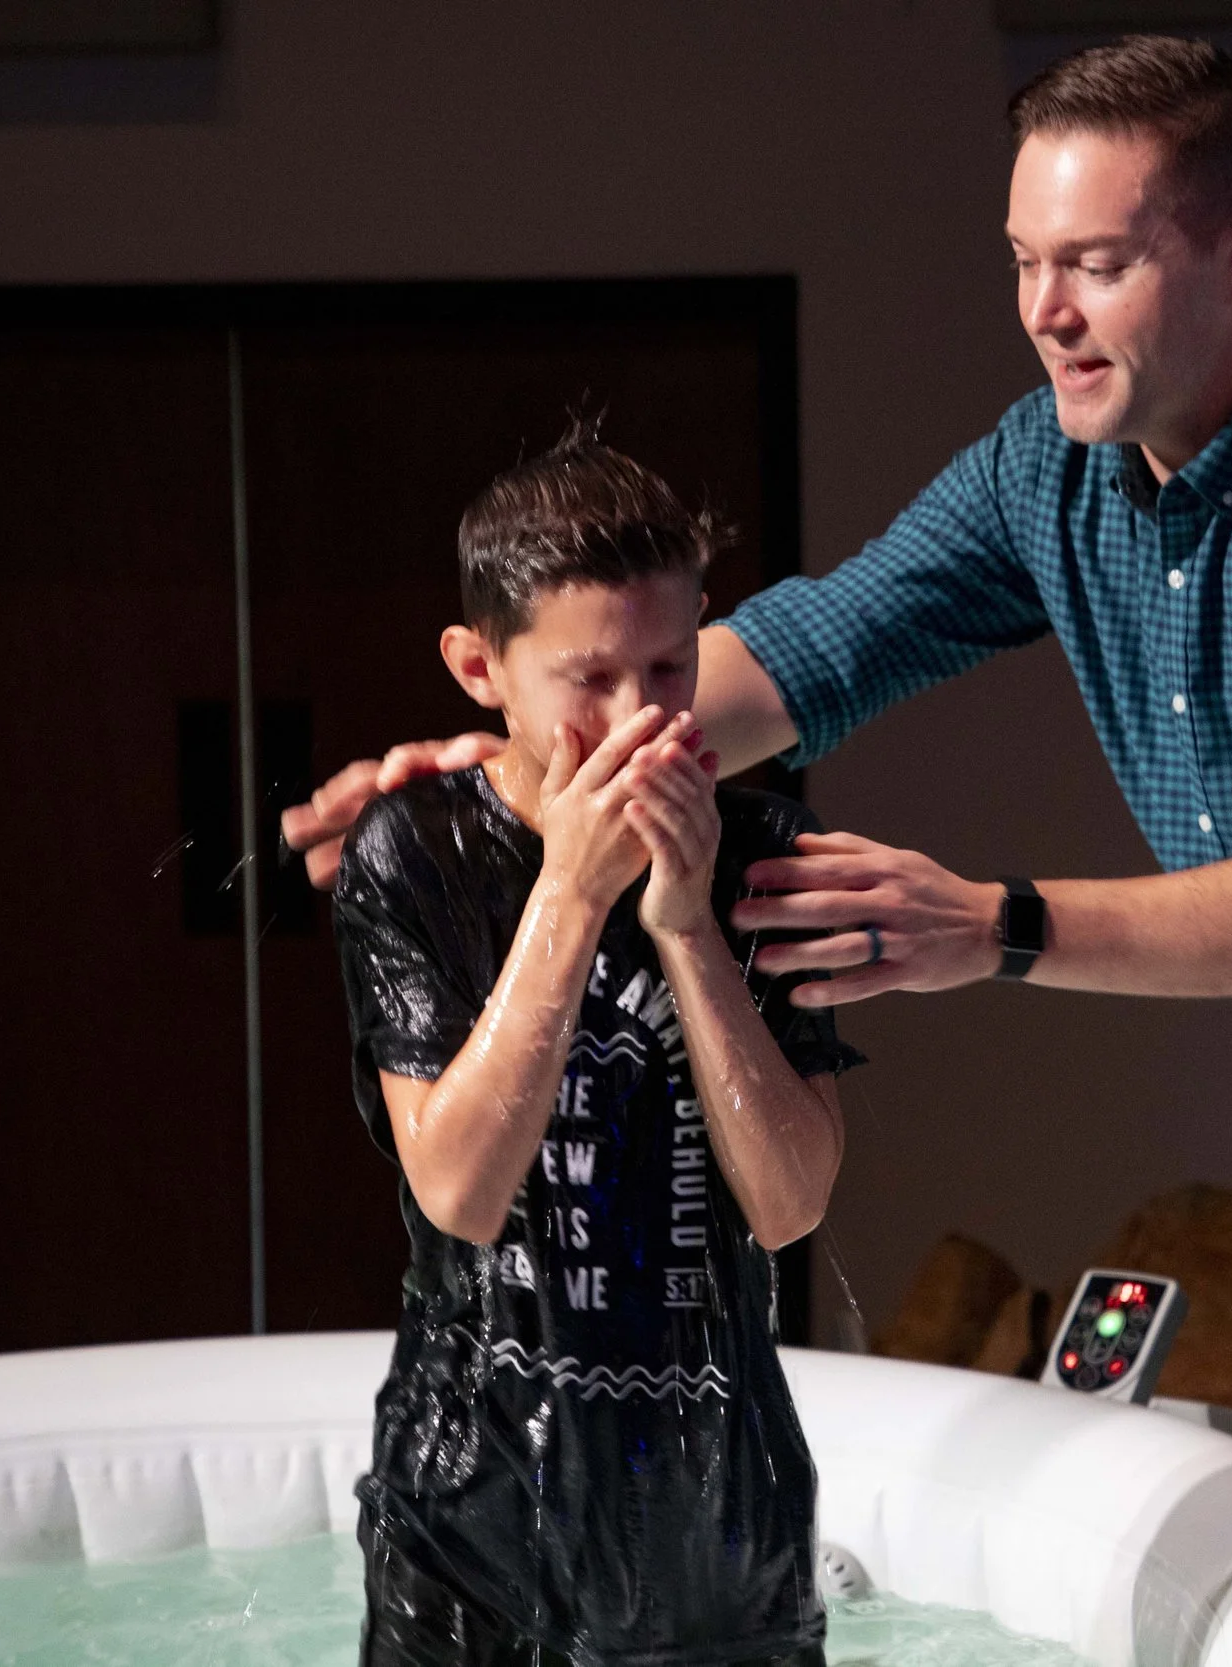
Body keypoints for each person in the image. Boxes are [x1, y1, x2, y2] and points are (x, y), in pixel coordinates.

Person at [293, 37, 1232, 1667]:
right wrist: (516, 762)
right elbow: (808, 651)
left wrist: (995, 922)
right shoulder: (1047, 469)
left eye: (1097, 263)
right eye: (1024, 261)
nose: (1045, 310)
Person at [331, 422, 858, 1667]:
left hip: (717, 1520)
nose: (638, 721)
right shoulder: (413, 854)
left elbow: (790, 1203)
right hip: (467, 1514)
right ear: (480, 668)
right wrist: (570, 893)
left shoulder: (764, 852)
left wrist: (686, 925)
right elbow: (459, 1191)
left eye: (669, 668)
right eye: (589, 678)